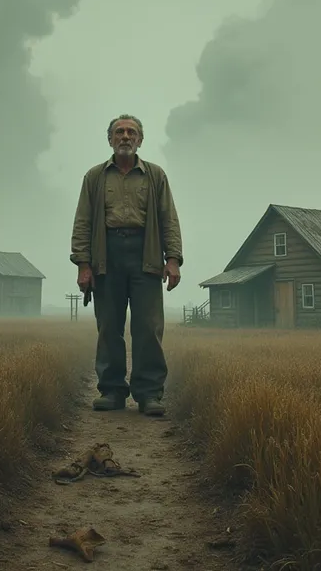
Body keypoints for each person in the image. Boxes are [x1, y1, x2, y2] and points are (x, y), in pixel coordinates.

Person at [70, 114, 183, 416]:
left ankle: (149, 394)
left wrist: (172, 259)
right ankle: (112, 391)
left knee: (148, 327)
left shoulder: (155, 175)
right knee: (109, 326)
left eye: (131, 132)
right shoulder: (95, 177)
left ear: (140, 140)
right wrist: (83, 264)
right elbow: (82, 221)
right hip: (106, 256)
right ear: (110, 139)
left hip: (145, 255)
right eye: (119, 132)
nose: (125, 137)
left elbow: (168, 219)